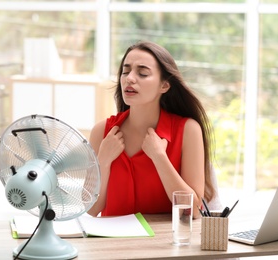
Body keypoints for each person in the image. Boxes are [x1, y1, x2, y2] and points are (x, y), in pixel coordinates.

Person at [87, 41, 215, 219]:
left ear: (164, 86)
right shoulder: (102, 132)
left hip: (163, 244)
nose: (130, 78)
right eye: (125, 71)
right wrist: (103, 161)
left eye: (143, 73)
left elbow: (192, 211)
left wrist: (159, 157)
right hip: (112, 244)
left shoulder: (188, 130)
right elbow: (91, 209)